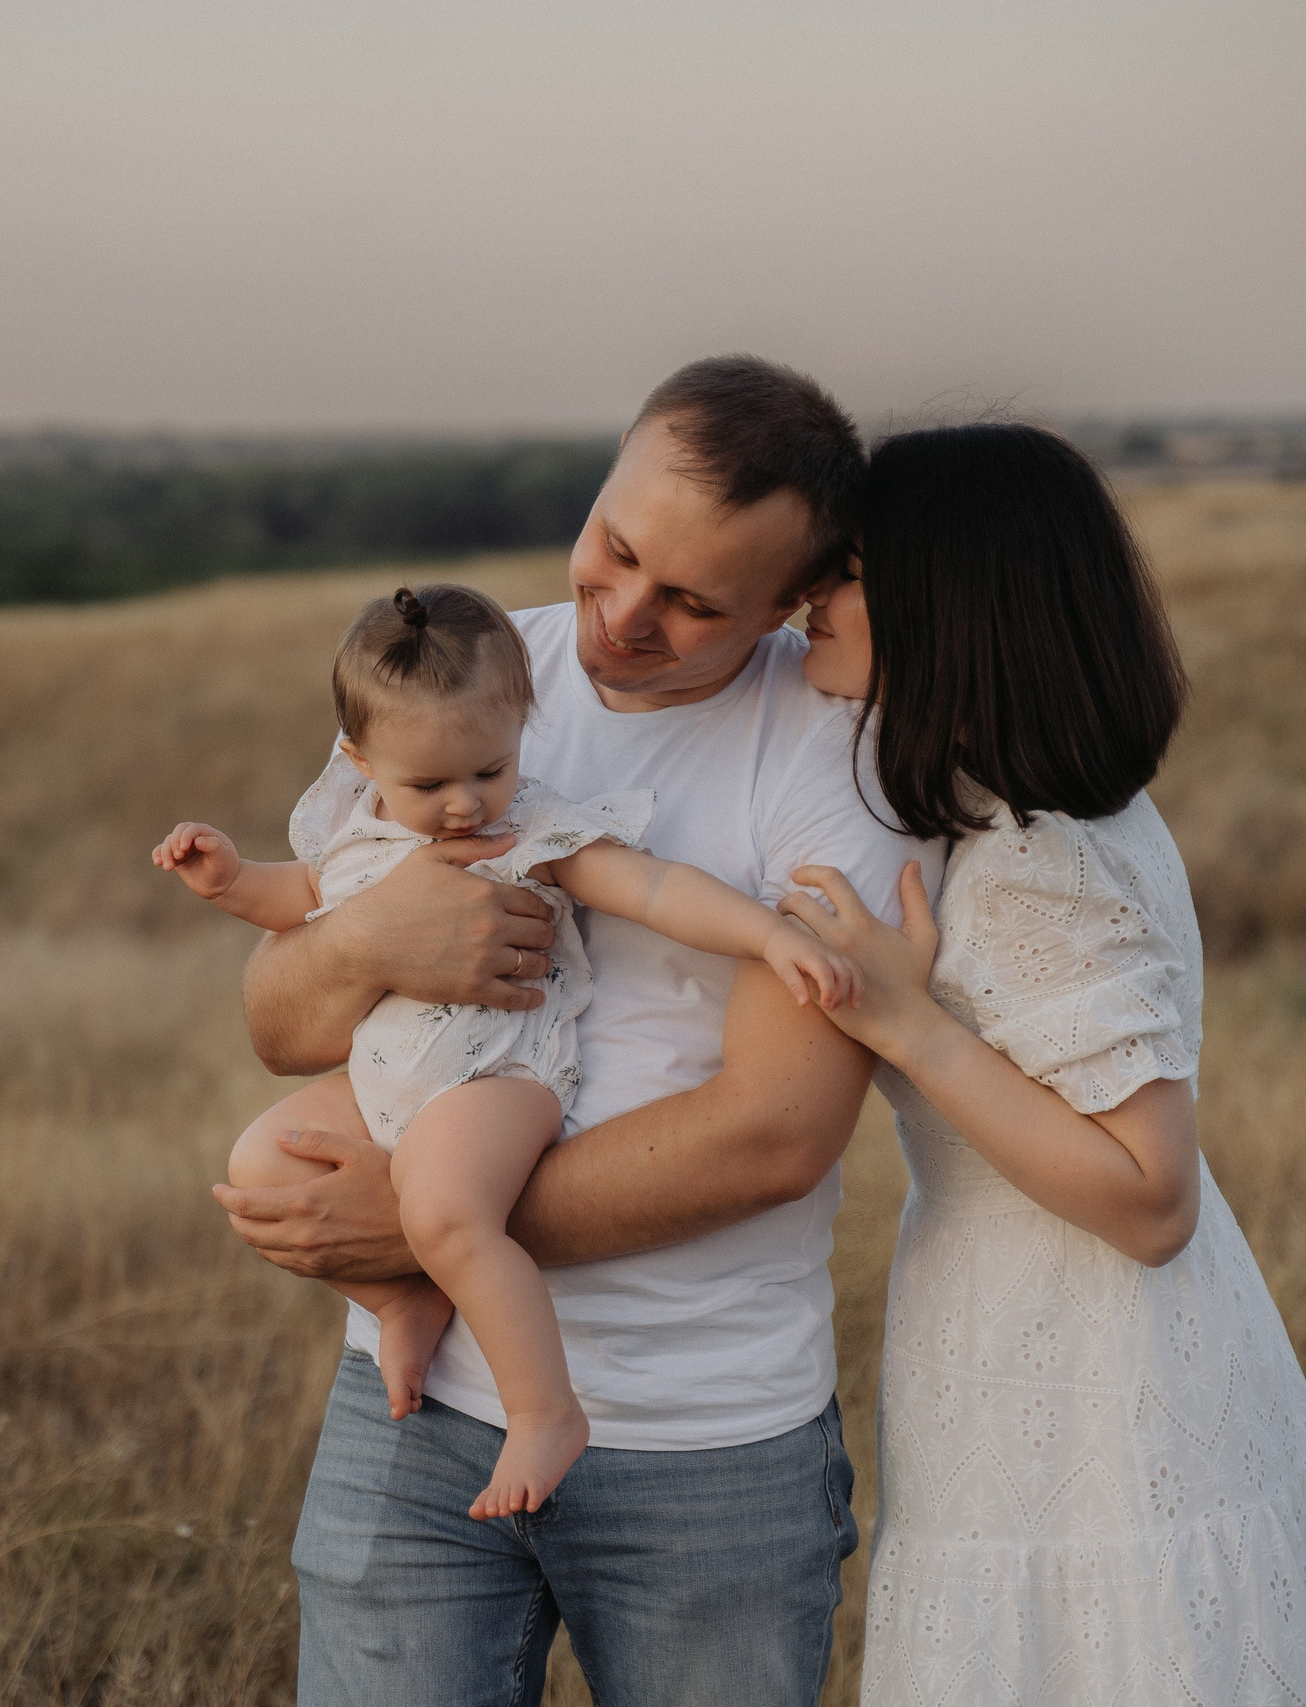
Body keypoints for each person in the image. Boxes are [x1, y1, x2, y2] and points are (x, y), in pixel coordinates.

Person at [211, 356, 941, 1705]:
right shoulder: (462, 674)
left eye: (692, 601)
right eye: (615, 548)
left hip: (702, 1443)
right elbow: (279, 1016)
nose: (621, 615)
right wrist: (372, 942)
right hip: (413, 1406)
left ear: (794, 599)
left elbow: (775, 1135)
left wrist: (430, 1219)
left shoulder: (839, 758)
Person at [782, 423, 1306, 1704]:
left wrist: (906, 1024)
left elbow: (1149, 1197)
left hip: (1091, 1371)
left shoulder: (1041, 858)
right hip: (1030, 1343)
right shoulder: (1045, 815)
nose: (814, 595)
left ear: (953, 601)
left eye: (851, 569)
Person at [151, 581, 860, 1521]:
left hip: (498, 1077)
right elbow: (297, 902)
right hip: (389, 1087)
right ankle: (405, 1300)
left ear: (522, 731)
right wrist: (227, 877)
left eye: (487, 770)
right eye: (429, 786)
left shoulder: (530, 823)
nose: (461, 806)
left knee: (442, 1209)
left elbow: (652, 889)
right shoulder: (358, 827)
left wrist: (768, 936)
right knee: (263, 1163)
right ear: (362, 762)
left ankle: (543, 1411)